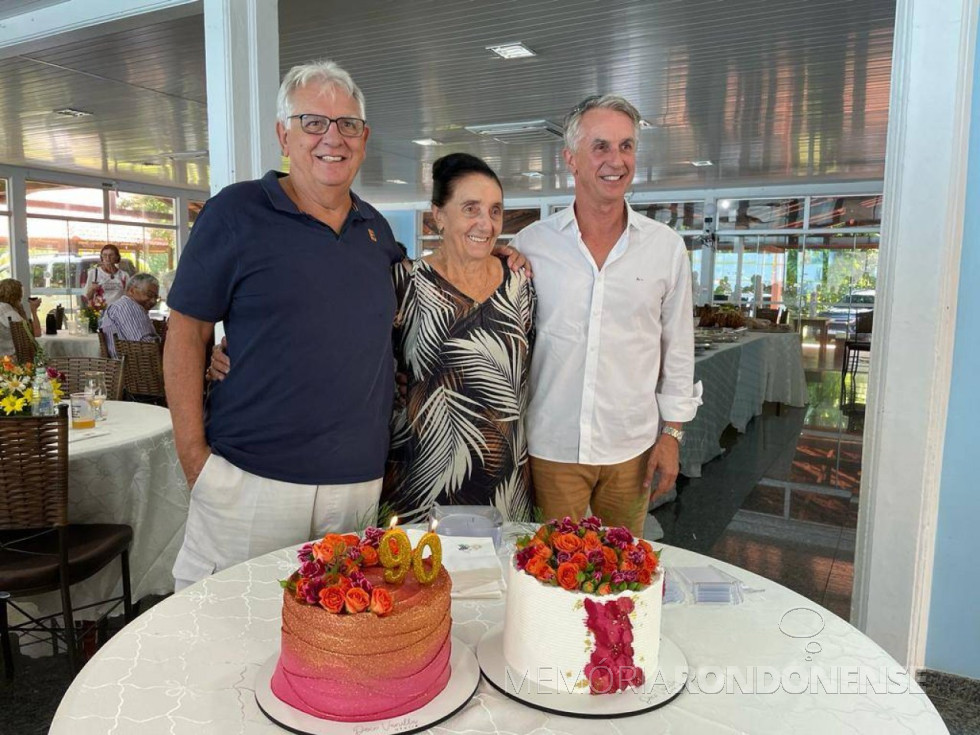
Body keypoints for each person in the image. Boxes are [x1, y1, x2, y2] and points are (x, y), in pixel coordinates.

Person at [164, 60, 523, 590]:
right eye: (313, 122)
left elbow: (414, 308)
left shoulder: (376, 233)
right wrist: (195, 460)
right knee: (228, 631)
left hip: (356, 488)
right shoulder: (234, 213)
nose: (332, 137)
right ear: (283, 133)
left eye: (347, 124)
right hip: (251, 480)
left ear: (364, 137)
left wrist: (501, 252)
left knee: (338, 639)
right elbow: (186, 335)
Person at [511, 94, 702, 537]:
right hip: (552, 446)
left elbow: (678, 349)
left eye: (626, 146)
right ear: (571, 159)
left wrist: (672, 436)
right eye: (600, 146)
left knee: (621, 575)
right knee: (555, 576)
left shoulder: (665, 247)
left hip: (630, 449)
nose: (616, 160)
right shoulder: (531, 245)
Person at [382, 153, 535, 523]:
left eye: (495, 210)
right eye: (471, 208)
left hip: (505, 485)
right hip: (421, 483)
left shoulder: (520, 285)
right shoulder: (403, 282)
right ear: (438, 215)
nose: (486, 223)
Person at [100, 273, 161, 357]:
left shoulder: (127, 306)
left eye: (156, 297)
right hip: (131, 367)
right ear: (132, 291)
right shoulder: (127, 306)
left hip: (134, 363)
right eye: (149, 295)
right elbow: (145, 344)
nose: (153, 301)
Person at [0, 278, 42, 358]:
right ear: (17, 295)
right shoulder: (8, 313)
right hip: (12, 360)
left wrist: (21, 311)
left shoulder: (4, 308)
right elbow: (36, 333)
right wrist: (34, 310)